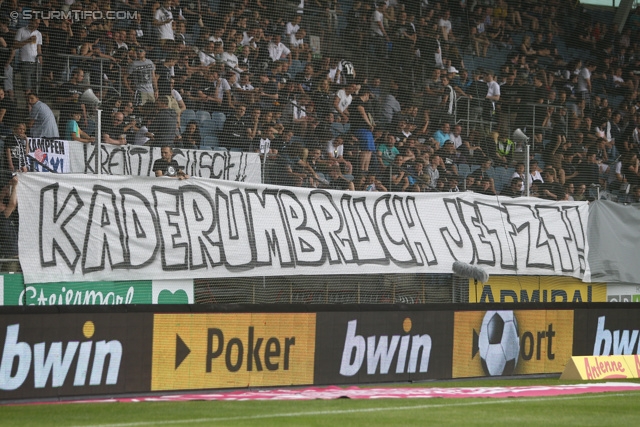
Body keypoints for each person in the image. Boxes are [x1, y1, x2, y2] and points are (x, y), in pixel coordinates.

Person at [13, 19, 42, 95]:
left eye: (38, 23)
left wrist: (41, 61)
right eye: (36, 23)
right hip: (25, 62)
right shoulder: (21, 31)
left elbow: (39, 49)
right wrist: (27, 41)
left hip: (36, 63)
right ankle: (28, 105)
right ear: (31, 21)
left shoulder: (38, 33)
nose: (37, 25)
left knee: (35, 87)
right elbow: (15, 45)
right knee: (27, 87)